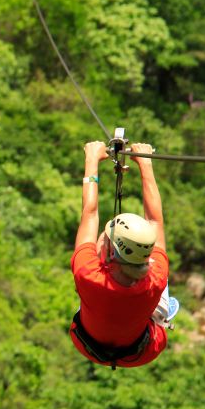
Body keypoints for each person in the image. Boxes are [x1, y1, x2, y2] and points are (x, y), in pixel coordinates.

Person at [68, 141, 177, 369]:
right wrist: (145, 163)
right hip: (140, 351)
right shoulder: (156, 276)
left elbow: (89, 214)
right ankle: (160, 317)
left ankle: (155, 313)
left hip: (88, 344)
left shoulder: (88, 274)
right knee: (161, 273)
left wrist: (92, 160)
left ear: (108, 253)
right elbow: (155, 221)